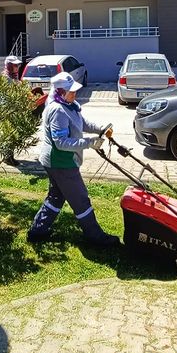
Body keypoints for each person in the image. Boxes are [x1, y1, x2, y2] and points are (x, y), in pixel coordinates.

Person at [27, 72, 120, 247]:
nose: (74, 93)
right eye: (71, 91)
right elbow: (61, 142)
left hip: (58, 161)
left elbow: (81, 123)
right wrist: (89, 143)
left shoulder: (70, 105)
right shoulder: (57, 110)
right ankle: (95, 237)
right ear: (60, 92)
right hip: (60, 161)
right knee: (80, 199)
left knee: (56, 197)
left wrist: (101, 128)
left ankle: (37, 231)